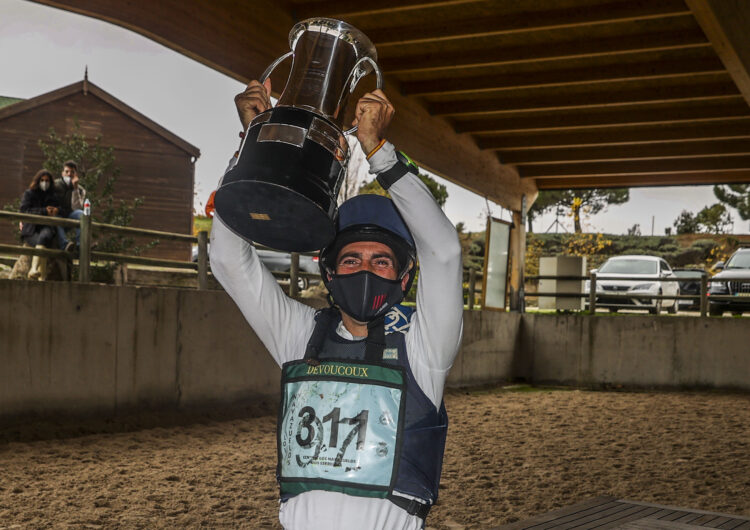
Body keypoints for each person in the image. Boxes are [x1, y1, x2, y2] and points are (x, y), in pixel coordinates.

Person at [210, 79, 464, 530]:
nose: (364, 269)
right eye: (351, 259)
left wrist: (379, 150)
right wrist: (252, 147)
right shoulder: (300, 334)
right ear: (329, 273)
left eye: (381, 260)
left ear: (405, 277)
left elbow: (444, 251)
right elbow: (229, 259)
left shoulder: (424, 348)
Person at [20, 169, 61, 280]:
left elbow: (60, 209)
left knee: (44, 237)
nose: (44, 183)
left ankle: (34, 270)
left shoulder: (54, 195)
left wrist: (56, 211)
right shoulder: (29, 194)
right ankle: (40, 276)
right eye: (42, 180)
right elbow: (24, 211)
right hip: (31, 229)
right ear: (38, 181)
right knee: (41, 242)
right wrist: (44, 211)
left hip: (47, 226)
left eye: (47, 180)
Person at [53, 160, 86, 252]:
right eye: (66, 171)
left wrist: (75, 188)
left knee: (81, 214)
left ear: (76, 174)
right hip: (56, 217)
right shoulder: (55, 185)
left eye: (72, 172)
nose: (69, 174)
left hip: (70, 216)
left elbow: (77, 208)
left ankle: (81, 245)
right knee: (56, 217)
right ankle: (65, 245)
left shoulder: (81, 190)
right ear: (62, 173)